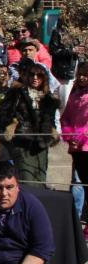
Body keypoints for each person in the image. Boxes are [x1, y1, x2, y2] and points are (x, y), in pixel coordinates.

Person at [0, 61, 60, 187]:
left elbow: (51, 120)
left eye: (39, 75)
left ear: (44, 78)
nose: (35, 78)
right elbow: (2, 114)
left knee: (40, 179)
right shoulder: (17, 93)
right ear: (27, 77)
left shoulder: (49, 98)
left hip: (41, 144)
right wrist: (14, 125)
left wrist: (52, 133)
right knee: (27, 180)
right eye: (32, 75)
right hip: (22, 142)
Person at [61, 61, 88, 200]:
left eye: (85, 75)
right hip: (76, 146)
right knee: (82, 181)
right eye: (80, 75)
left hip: (86, 143)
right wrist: (69, 133)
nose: (82, 78)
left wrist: (82, 134)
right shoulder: (74, 94)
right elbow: (65, 116)